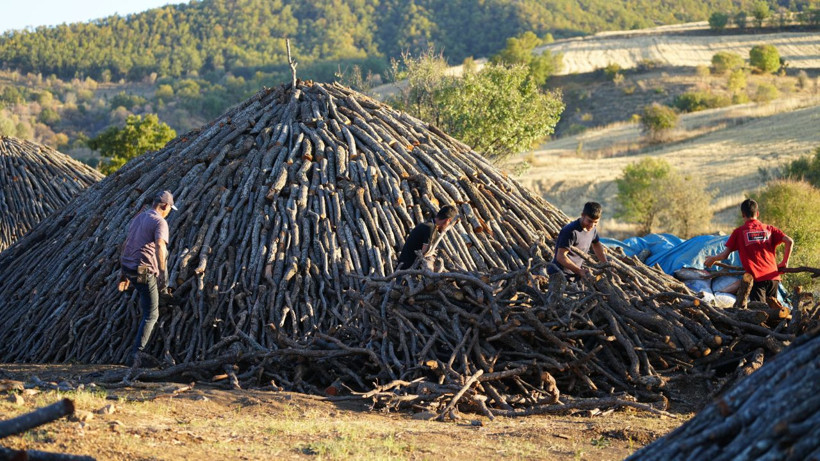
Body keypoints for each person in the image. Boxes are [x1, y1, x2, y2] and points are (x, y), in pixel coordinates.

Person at [120, 190, 177, 366]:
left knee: (149, 298)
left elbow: (127, 242)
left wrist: (123, 274)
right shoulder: (160, 222)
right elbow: (160, 246)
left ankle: (162, 298)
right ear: (165, 206)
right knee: (152, 313)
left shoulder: (140, 217)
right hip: (143, 269)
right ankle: (137, 355)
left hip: (128, 265)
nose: (169, 212)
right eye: (169, 209)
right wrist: (161, 272)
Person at [704, 199, 793, 303]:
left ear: (743, 214)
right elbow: (789, 241)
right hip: (773, 279)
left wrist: (713, 259)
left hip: (757, 279)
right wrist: (784, 262)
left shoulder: (739, 232)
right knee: (773, 311)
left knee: (760, 313)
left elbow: (724, 255)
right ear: (757, 213)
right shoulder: (769, 229)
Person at [548, 202, 608, 281]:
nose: (592, 225)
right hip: (559, 275)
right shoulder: (570, 231)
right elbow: (560, 256)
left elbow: (596, 244)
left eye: (596, 222)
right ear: (582, 215)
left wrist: (605, 264)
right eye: (589, 221)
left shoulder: (593, 229)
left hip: (574, 275)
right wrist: (579, 271)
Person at [396, 205, 459, 271]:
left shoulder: (427, 225)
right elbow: (424, 252)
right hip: (407, 269)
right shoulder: (430, 228)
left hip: (405, 267)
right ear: (448, 220)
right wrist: (431, 253)